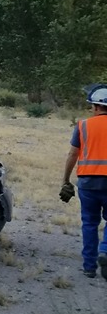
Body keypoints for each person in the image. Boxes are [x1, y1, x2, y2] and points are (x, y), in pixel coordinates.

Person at [60, 83, 107, 279]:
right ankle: (104, 251)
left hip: (87, 182)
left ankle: (89, 266)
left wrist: (65, 180)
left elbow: (72, 154)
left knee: (89, 222)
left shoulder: (83, 125)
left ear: (96, 107)